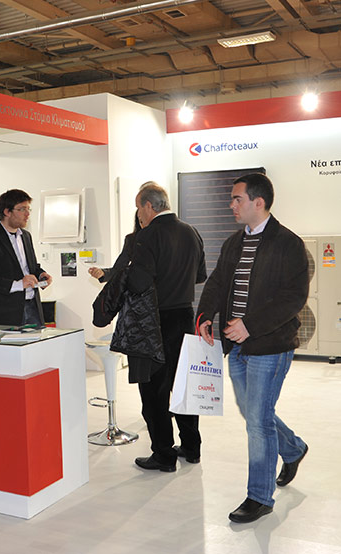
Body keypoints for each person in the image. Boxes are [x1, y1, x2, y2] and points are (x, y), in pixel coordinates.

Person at [197, 173, 309, 524]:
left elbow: (294, 298)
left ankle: (260, 497)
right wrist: (205, 315)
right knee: (252, 411)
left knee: (257, 422)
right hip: (237, 345)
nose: (231, 205)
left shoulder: (289, 244)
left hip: (270, 345)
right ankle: (293, 448)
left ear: (258, 202)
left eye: (237, 199)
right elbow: (217, 282)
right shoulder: (234, 242)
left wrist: (251, 325)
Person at [126, 183, 206, 472]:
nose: (139, 214)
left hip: (154, 321)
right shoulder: (191, 232)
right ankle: (191, 447)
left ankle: (163, 454)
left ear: (149, 206)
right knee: (184, 386)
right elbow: (199, 276)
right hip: (185, 317)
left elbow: (138, 282)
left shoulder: (148, 236)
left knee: (154, 391)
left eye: (139, 208)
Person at [0, 189, 53, 326]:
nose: (27, 214)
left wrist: (41, 275)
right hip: (2, 313)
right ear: (7, 212)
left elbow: (29, 267)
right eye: (22, 209)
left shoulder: (26, 236)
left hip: (32, 307)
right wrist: (18, 284)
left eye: (28, 209)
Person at [88, 211, 141, 283]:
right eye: (140, 220)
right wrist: (103, 273)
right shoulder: (132, 239)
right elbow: (119, 269)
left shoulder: (157, 238)